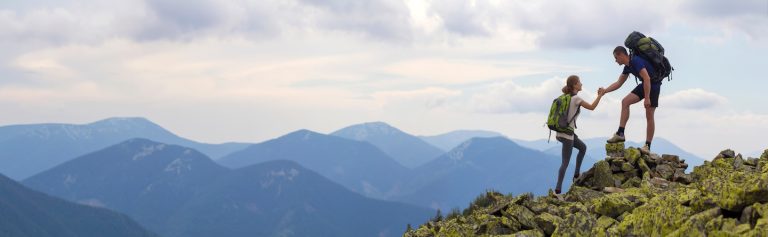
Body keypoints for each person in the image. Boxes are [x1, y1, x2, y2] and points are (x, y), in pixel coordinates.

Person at [602, 46, 661, 154]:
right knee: (625, 102)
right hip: (645, 84)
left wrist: (647, 98)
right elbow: (618, 83)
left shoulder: (636, 61)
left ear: (621, 54)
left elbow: (647, 78)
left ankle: (647, 146)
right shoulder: (627, 66)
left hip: (653, 85)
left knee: (649, 115)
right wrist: (605, 91)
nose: (615, 61)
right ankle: (620, 133)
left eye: (616, 58)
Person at [554, 75, 605, 194]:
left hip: (561, 133)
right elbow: (592, 107)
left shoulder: (565, 97)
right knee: (565, 162)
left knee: (583, 147)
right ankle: (558, 190)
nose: (581, 84)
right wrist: (600, 95)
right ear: (575, 85)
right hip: (567, 135)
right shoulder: (576, 98)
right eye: (579, 82)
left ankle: (576, 174)